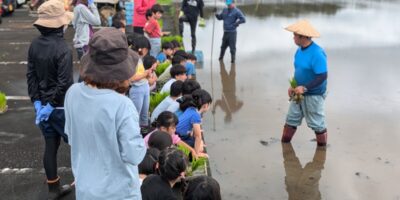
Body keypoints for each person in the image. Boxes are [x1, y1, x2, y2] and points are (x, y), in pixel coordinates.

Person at [64, 28, 147, 199]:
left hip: (85, 188)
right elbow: (134, 155)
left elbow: (71, 137)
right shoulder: (123, 105)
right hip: (119, 192)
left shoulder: (72, 93)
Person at [26, 0, 74, 198]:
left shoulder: (34, 44)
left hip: (43, 108)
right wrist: (51, 105)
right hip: (60, 108)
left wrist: (37, 102)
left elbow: (31, 76)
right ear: (59, 24)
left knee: (50, 146)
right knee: (78, 146)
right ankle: (87, 183)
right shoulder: (63, 48)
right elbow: (64, 83)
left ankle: (53, 189)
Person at [281, 19, 328, 146]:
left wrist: (305, 88)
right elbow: (299, 70)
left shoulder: (317, 53)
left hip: (314, 94)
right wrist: (293, 86)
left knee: (317, 124)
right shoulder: (299, 50)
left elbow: (323, 75)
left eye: (295, 35)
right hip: (298, 92)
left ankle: (322, 150)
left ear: (303, 37)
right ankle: (285, 145)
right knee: (291, 119)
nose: (293, 37)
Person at [176, 89, 212, 154]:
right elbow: (198, 137)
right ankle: (195, 155)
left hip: (178, 134)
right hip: (179, 138)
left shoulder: (191, 108)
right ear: (206, 105)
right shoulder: (196, 116)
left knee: (199, 142)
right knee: (200, 145)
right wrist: (197, 153)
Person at [129, 36, 153, 128]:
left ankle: (144, 133)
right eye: (146, 49)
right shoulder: (132, 58)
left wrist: (147, 75)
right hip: (137, 89)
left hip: (144, 86)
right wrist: (145, 74)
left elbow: (140, 73)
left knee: (144, 115)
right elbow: (131, 77)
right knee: (135, 115)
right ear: (141, 48)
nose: (146, 52)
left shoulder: (139, 58)